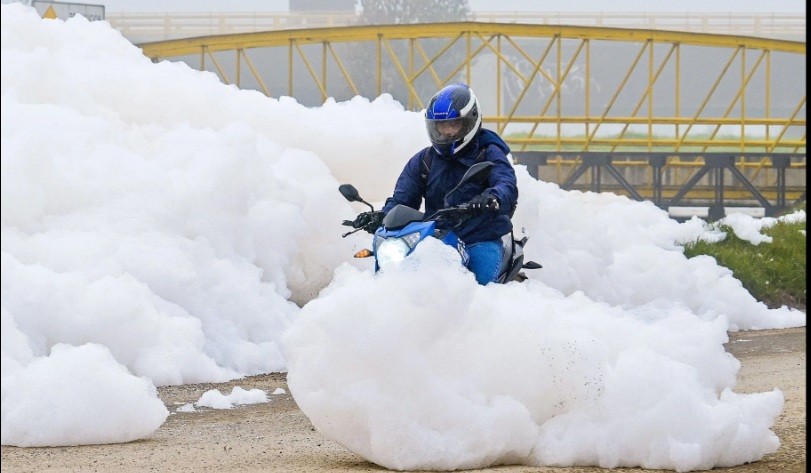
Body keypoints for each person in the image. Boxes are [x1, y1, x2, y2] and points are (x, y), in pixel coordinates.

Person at [355, 83, 518, 285]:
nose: (446, 132)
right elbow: (402, 199)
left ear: (470, 121)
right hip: (435, 239)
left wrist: (491, 198)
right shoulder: (424, 160)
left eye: (453, 125)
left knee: (480, 289)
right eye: (441, 126)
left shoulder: (489, 153)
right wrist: (381, 216)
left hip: (478, 238)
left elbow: (506, 184)